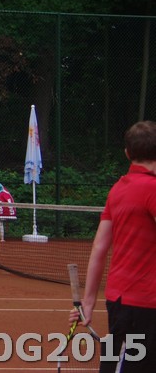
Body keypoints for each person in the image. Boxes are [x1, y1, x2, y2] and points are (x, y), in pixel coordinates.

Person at [71, 120, 156, 372]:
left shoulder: (117, 190)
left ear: (127, 153)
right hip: (146, 303)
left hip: (119, 299)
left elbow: (99, 247)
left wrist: (88, 302)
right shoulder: (152, 189)